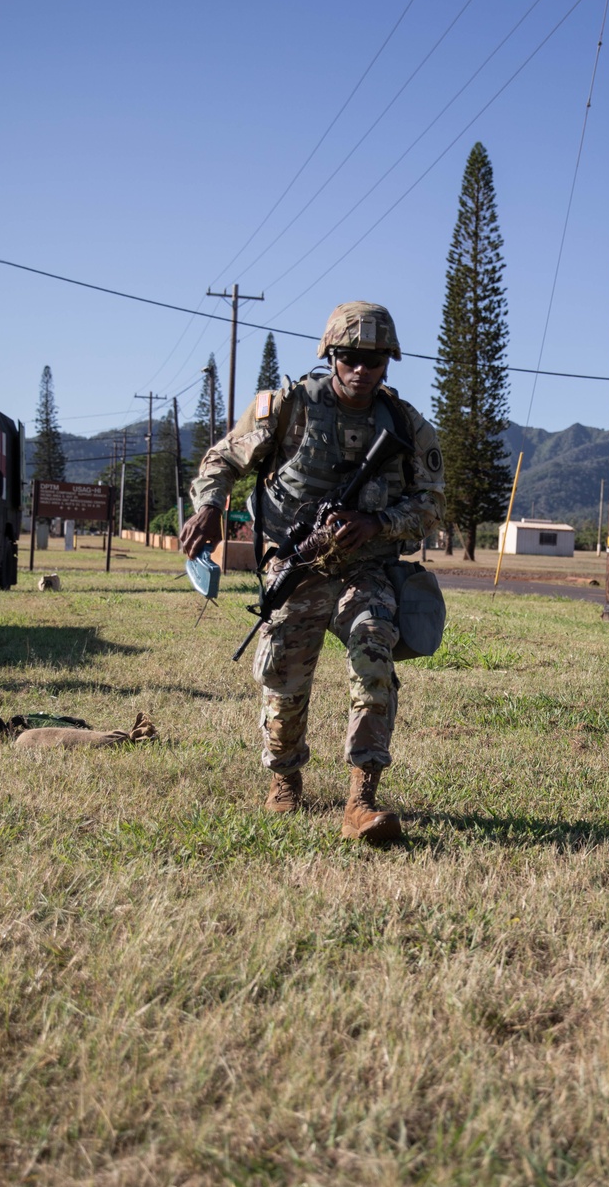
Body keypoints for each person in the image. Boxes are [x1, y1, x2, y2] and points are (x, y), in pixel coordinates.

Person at [181, 301, 445, 843]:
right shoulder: (289, 407)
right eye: (349, 356)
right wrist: (210, 506)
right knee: (284, 676)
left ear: (388, 362)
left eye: (373, 359)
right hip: (296, 566)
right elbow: (221, 459)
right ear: (331, 356)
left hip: (366, 570)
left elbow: (432, 505)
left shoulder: (406, 425)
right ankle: (284, 780)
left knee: (374, 656)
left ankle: (362, 800)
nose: (361, 369)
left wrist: (377, 522)